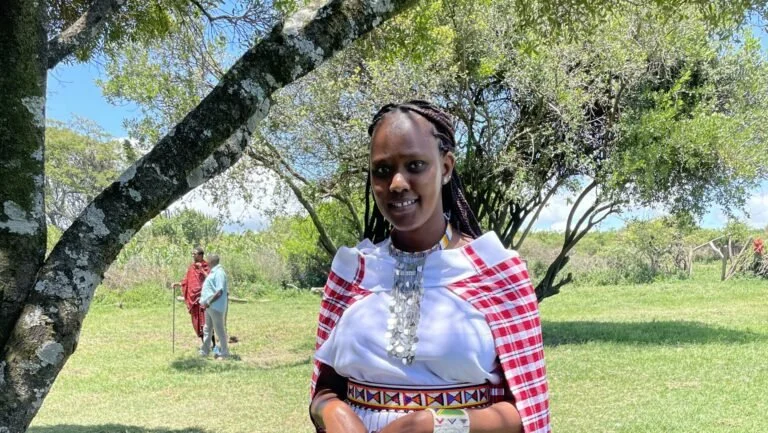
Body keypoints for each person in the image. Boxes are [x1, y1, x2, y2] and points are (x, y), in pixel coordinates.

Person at [309, 101, 550, 433]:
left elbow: (526, 409)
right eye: (382, 170)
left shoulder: (496, 272)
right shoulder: (354, 272)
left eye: (415, 165)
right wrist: (331, 411)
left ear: (446, 167)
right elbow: (325, 387)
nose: (397, 183)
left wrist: (436, 425)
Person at [172, 247, 211, 345]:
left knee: (207, 322)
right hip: (194, 299)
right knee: (197, 322)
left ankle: (213, 344)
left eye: (195, 254)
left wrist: (201, 269)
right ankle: (205, 344)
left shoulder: (207, 266)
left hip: (205, 298)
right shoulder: (192, 267)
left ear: (201, 255)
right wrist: (179, 284)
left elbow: (210, 279)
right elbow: (187, 280)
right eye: (192, 254)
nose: (193, 255)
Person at [200, 254, 230, 359]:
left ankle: (225, 353)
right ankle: (205, 350)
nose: (206, 262)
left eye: (207, 261)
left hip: (215, 306)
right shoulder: (213, 272)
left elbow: (219, 291)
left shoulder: (219, 273)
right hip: (209, 306)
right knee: (207, 329)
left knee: (219, 330)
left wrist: (209, 302)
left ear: (211, 262)